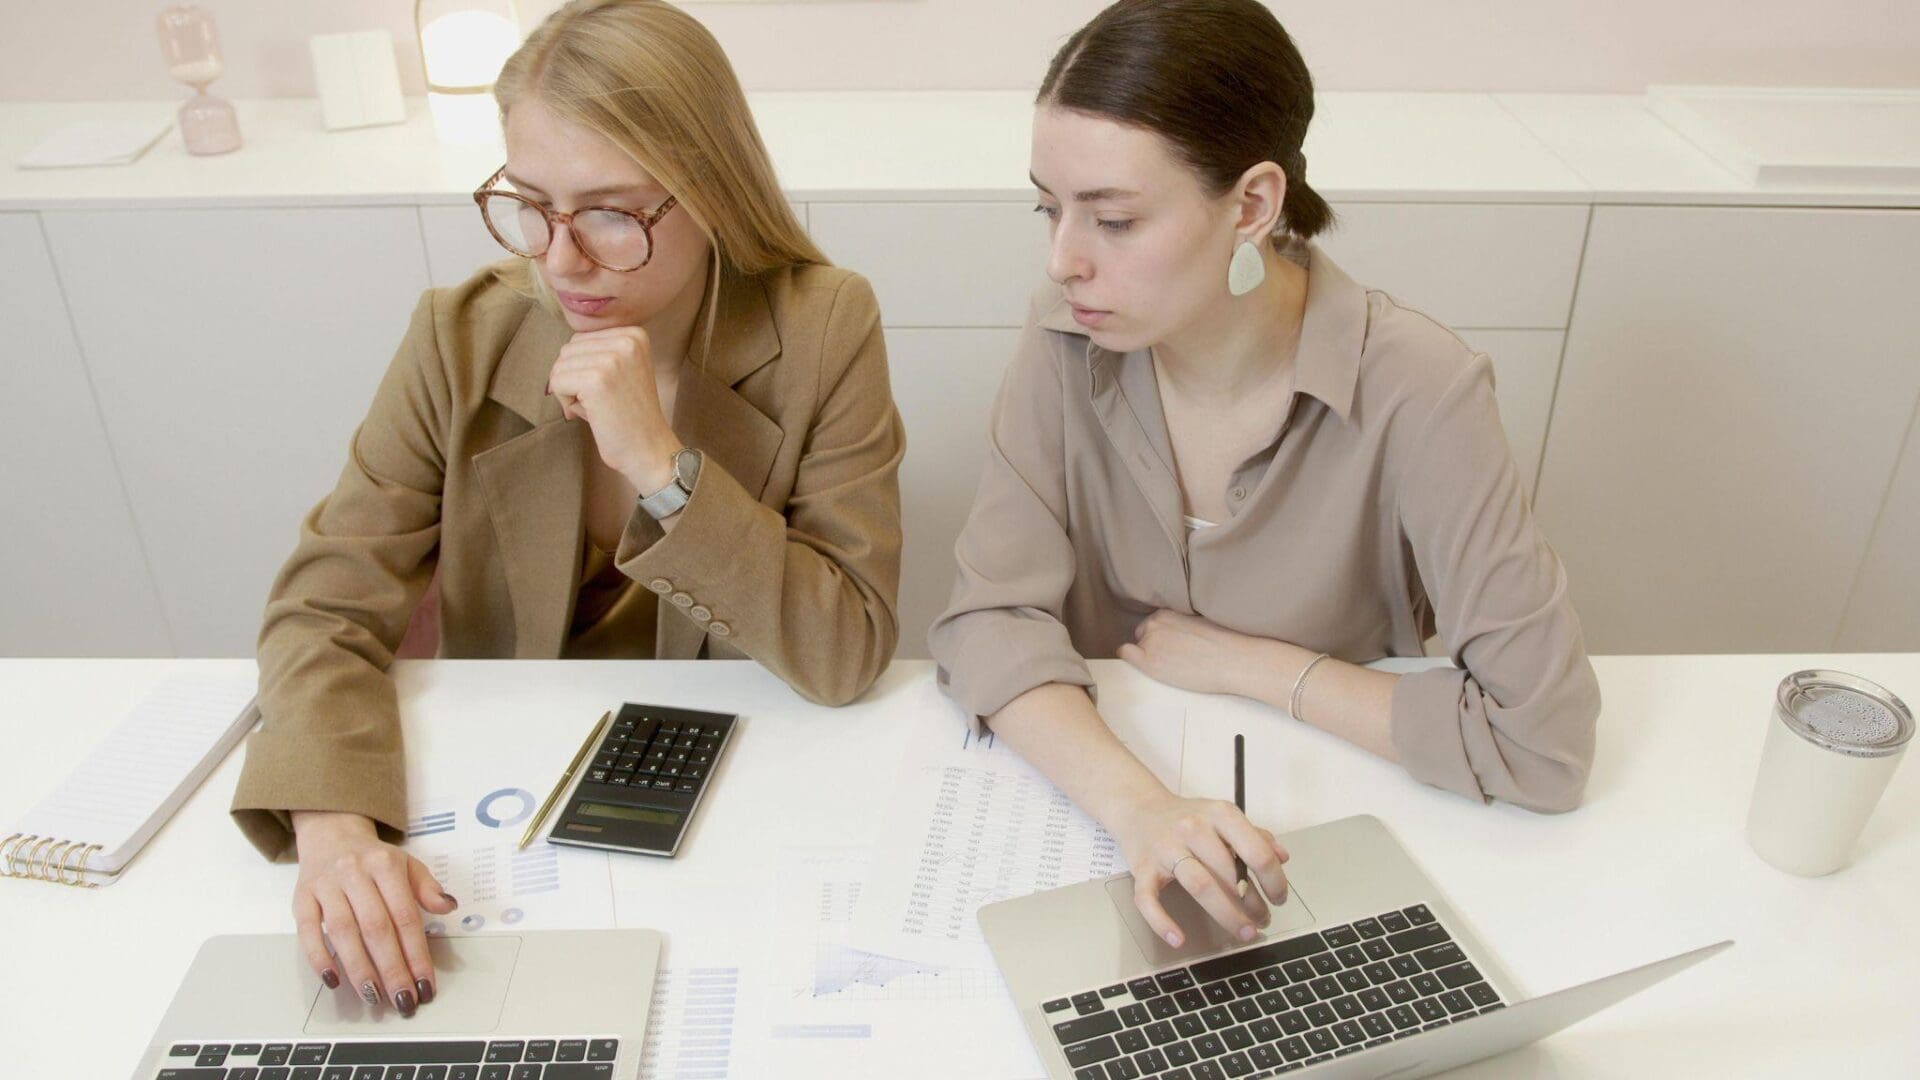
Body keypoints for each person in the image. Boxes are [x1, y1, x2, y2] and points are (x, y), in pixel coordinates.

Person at [230, 0, 904, 1018]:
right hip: (502, 809)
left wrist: (662, 464)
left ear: (713, 191)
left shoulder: (824, 324)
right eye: (529, 202)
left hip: (736, 797)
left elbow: (848, 647)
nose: (559, 258)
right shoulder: (459, 334)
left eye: (610, 211)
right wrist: (332, 832)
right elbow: (322, 610)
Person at [930, 0, 1600, 953]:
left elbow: (1545, 745)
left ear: (1251, 205)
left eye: (1113, 218)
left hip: (1340, 827)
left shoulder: (1421, 387)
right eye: (1050, 206)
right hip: (1097, 810)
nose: (1063, 259)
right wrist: (1143, 811)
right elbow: (989, 620)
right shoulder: (1066, 337)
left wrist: (1253, 665)